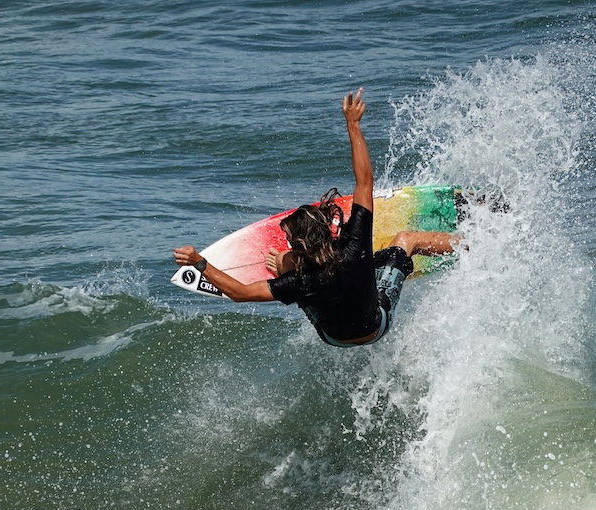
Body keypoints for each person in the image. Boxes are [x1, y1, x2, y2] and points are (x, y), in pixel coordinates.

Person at [173, 88, 461, 347]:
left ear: (301, 243)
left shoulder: (299, 282)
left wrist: (199, 262)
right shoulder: (354, 243)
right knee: (405, 240)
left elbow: (239, 293)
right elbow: (364, 183)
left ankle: (288, 262)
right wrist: (353, 124)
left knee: (286, 265)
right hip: (377, 325)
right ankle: (473, 245)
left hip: (332, 337)